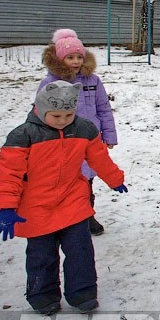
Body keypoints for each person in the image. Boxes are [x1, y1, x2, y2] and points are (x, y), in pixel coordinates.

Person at [0, 80, 128, 314]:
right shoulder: (23, 135)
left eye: (68, 114)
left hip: (72, 200)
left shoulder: (83, 129)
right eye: (56, 116)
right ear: (41, 109)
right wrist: (6, 207)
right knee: (41, 255)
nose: (63, 120)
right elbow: (9, 175)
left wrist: (114, 179)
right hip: (36, 207)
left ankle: (82, 292)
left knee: (80, 250)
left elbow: (99, 159)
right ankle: (43, 294)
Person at [39, 29, 118, 236]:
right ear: (59, 58)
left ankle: (87, 215)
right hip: (62, 141)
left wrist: (108, 135)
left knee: (88, 180)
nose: (75, 62)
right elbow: (40, 113)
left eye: (79, 57)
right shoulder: (50, 84)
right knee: (69, 180)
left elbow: (103, 109)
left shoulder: (92, 81)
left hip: (90, 140)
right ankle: (69, 216)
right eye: (70, 57)